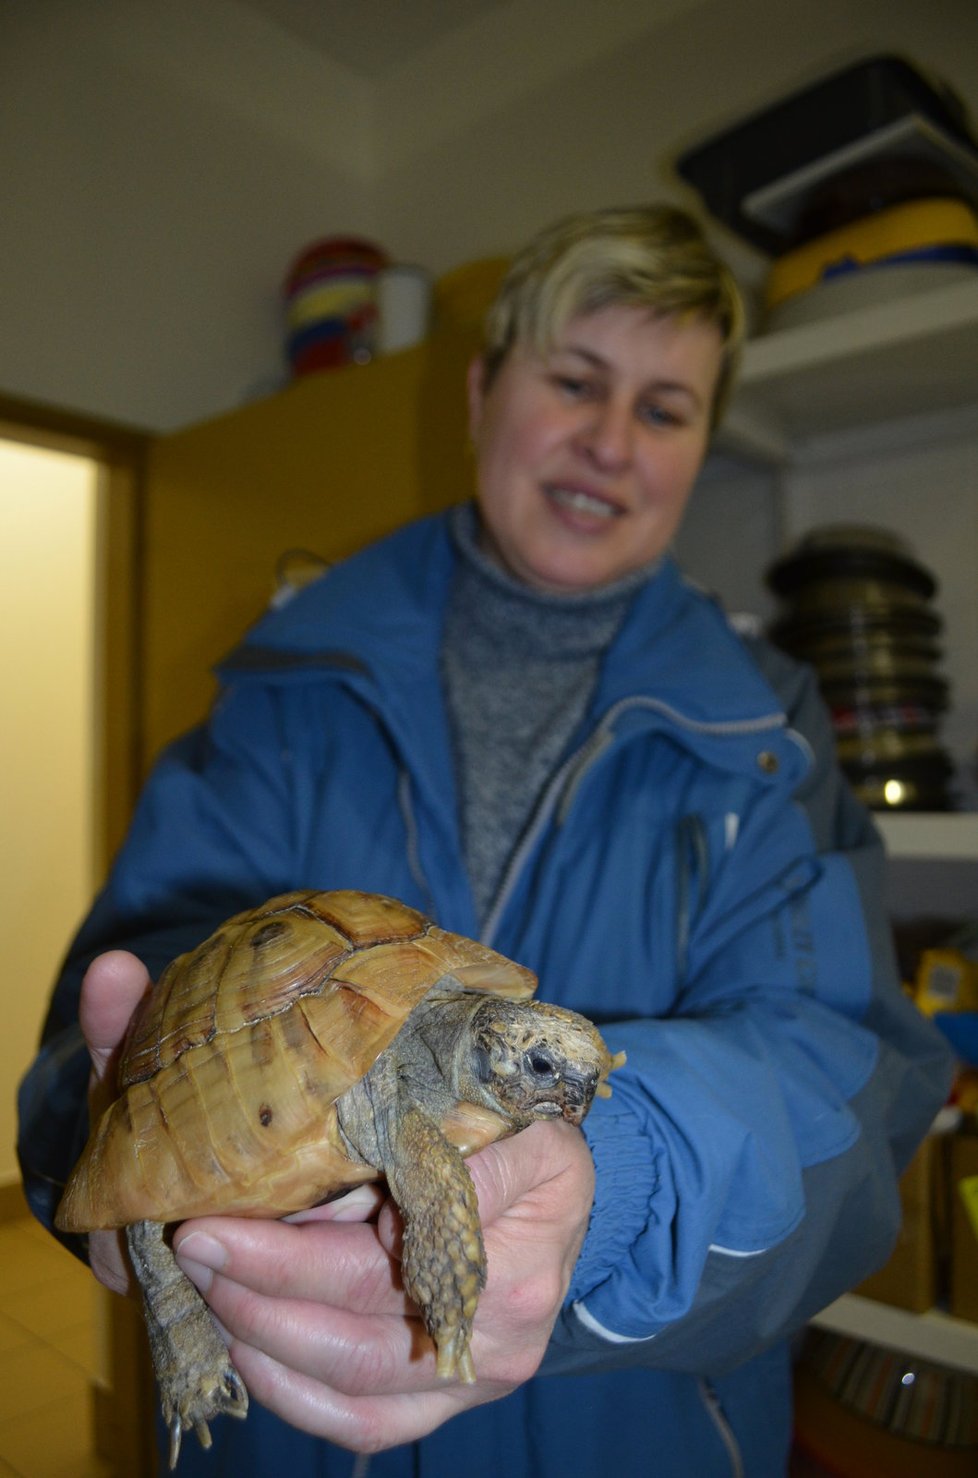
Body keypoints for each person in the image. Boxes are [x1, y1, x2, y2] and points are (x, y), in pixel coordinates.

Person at [19, 204, 952, 1478]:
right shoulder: (288, 689)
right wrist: (109, 1145)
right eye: (575, 381)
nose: (610, 443)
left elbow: (856, 1084)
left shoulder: (767, 737)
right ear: (480, 389)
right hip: (285, 1427)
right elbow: (100, 1030)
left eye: (666, 409)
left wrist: (615, 1185)